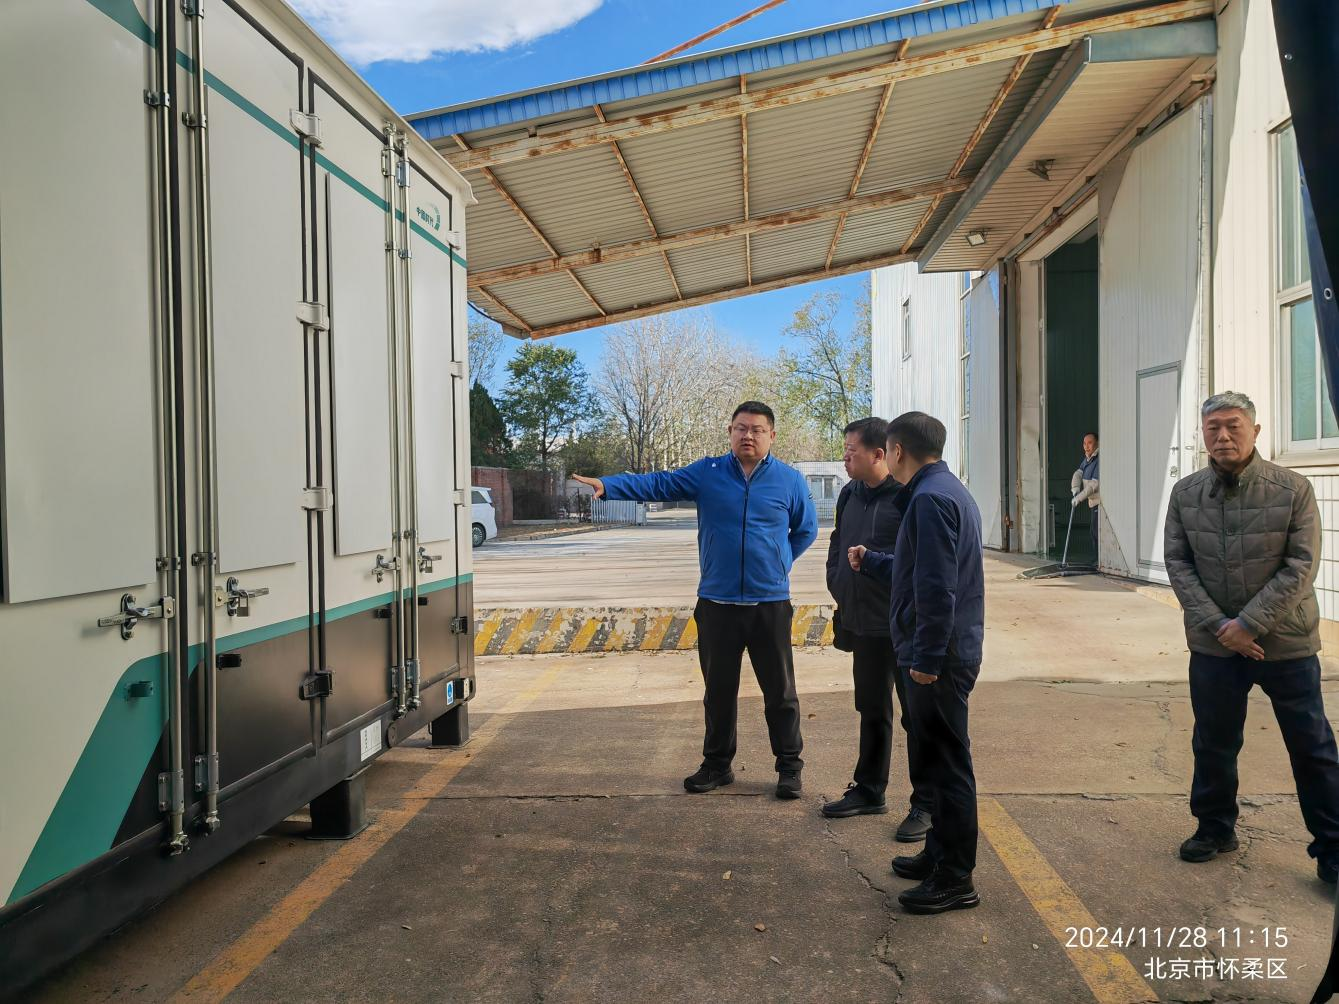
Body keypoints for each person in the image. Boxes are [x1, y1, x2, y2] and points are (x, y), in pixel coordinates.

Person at [573, 402, 818, 800]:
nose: (748, 436)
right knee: (718, 692)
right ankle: (717, 766)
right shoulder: (709, 473)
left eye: (757, 429)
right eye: (741, 428)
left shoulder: (789, 480)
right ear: (730, 432)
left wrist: (779, 563)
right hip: (717, 604)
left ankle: (789, 767)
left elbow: (805, 530)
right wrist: (610, 485)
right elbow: (659, 484)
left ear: (772, 436)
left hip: (769, 604)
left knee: (781, 693)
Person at [1164, 391, 1339, 883]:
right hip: (1215, 646)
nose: (1223, 436)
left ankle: (1332, 847)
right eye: (1213, 427)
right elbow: (1178, 564)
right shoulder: (1186, 493)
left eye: (1233, 426)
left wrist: (1248, 624)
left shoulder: (1292, 489)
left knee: (1312, 747)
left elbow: (1301, 566)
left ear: (1255, 431)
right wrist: (1222, 626)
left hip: (1285, 644)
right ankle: (1215, 828)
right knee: (1213, 742)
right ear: (1203, 435)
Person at [848, 412, 985, 915]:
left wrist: (926, 659)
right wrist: (875, 561)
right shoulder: (944, 490)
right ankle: (938, 853)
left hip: (939, 657)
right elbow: (919, 568)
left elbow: (936, 587)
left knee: (948, 766)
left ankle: (955, 878)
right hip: (944, 650)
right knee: (935, 759)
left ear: (898, 451)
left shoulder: (929, 500)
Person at [822, 417, 933, 843]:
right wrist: (838, 581)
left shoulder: (907, 497)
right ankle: (869, 789)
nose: (845, 457)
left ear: (879, 454)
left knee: (917, 718)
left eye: (851, 450)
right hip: (863, 624)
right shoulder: (849, 494)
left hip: (902, 627)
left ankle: (926, 804)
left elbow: (918, 562)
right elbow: (837, 542)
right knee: (871, 709)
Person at [1070, 433, 1101, 560]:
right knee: (1093, 532)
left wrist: (1079, 498)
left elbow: (1094, 485)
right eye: (1084, 443)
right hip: (1093, 502)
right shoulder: (1088, 459)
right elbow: (1078, 473)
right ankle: (1097, 559)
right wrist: (1075, 488)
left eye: (1090, 443)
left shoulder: (1099, 459)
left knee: (1096, 532)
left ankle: (1098, 561)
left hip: (1100, 503)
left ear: (1097, 443)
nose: (1086, 446)